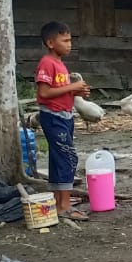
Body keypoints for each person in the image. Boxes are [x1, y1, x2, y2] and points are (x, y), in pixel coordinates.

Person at [35, 22, 91, 222]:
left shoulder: (60, 64)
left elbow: (59, 91)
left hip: (64, 115)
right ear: (51, 43)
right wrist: (72, 87)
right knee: (68, 158)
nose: (69, 44)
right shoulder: (47, 63)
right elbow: (44, 93)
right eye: (65, 40)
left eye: (70, 40)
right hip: (53, 116)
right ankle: (65, 206)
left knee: (59, 159)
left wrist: (76, 91)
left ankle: (59, 203)